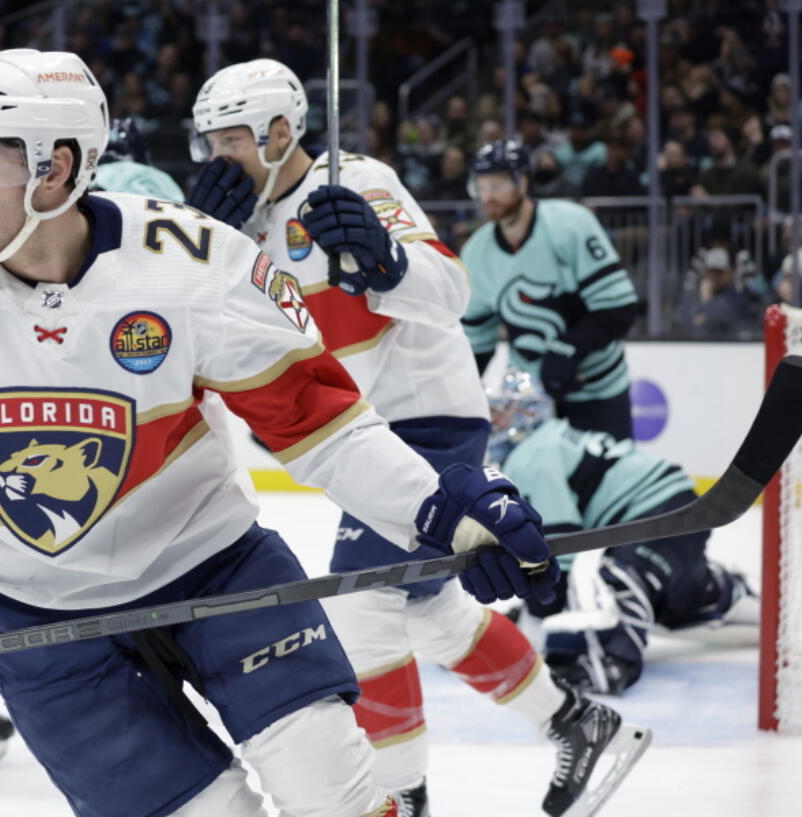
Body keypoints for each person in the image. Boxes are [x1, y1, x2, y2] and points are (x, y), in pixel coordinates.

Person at [0, 49, 561, 817]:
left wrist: (445, 512)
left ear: (58, 168)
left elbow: (322, 427)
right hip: (41, 618)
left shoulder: (197, 265)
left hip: (219, 573)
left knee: (333, 793)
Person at [185, 59, 648, 817]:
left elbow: (450, 295)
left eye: (230, 139)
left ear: (279, 131)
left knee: (363, 606)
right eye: (207, 143)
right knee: (425, 609)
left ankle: (403, 796)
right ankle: (579, 722)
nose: (216, 159)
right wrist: (208, 246)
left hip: (422, 422)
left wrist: (385, 260)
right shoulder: (243, 228)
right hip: (359, 437)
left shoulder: (358, 182)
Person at [0, 115, 186, 772]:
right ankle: (154, 692)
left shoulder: (33, 200)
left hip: (26, 383)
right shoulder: (153, 189)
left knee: (4, 548)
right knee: (153, 543)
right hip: (132, 395)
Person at [488, 370, 759, 694]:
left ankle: (616, 662)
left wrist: (544, 608)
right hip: (670, 501)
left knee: (623, 575)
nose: (493, 420)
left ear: (525, 413)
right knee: (665, 594)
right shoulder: (548, 438)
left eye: (500, 411)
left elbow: (560, 541)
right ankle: (717, 590)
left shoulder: (531, 456)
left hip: (658, 508)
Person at [462, 139, 640, 440]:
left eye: (497, 185)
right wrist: (460, 395)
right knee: (527, 481)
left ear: (523, 182)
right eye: (481, 186)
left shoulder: (570, 224)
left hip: (597, 384)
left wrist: (567, 349)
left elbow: (619, 307)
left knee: (608, 483)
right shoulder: (476, 252)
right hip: (527, 392)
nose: (487, 196)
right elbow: (477, 338)